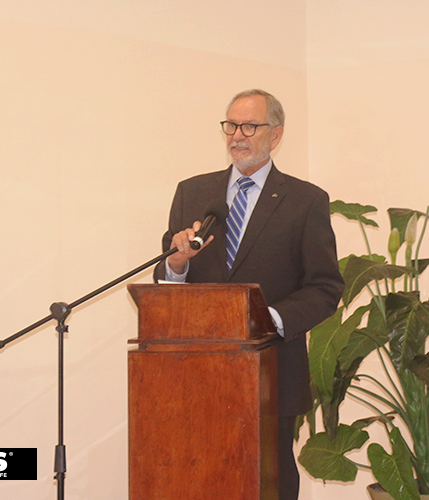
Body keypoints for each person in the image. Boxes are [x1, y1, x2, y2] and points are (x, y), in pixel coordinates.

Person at [155, 89, 344, 500]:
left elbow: (326, 287)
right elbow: (166, 280)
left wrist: (267, 319)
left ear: (275, 135)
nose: (237, 135)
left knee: (270, 483)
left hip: (272, 373)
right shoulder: (193, 192)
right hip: (197, 375)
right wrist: (177, 263)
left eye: (249, 126)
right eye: (231, 125)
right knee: (201, 480)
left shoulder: (305, 200)